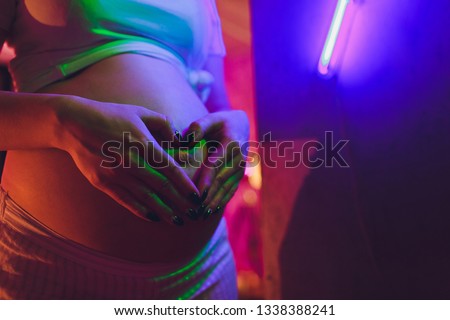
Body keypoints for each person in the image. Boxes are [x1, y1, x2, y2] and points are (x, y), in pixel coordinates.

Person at [0, 0, 249, 299]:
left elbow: (216, 103)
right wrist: (63, 122)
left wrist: (240, 126)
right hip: (54, 262)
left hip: (203, 272)